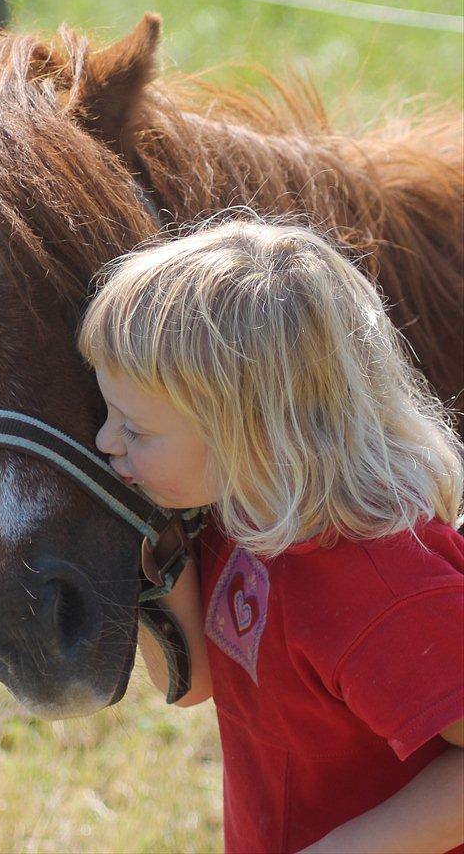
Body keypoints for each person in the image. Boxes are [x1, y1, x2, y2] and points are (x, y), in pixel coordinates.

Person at [77, 215, 464, 854]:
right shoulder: (240, 516)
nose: (104, 441)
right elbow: (192, 683)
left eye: (135, 429)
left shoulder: (380, 584)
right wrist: (151, 559)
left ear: (250, 434)